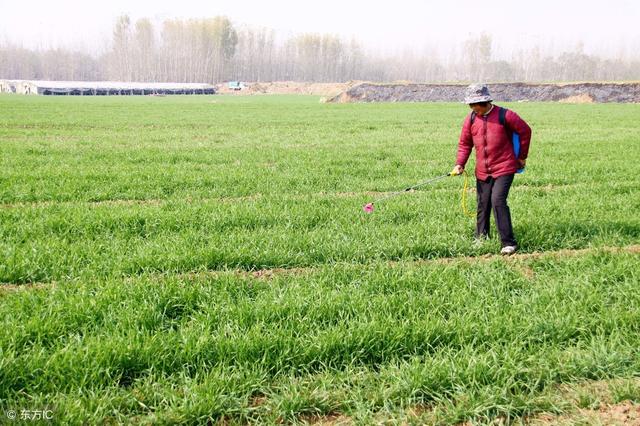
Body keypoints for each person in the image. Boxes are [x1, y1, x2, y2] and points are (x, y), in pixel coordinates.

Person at [451, 84, 532, 255]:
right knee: (483, 203)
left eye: (476, 105)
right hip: (482, 170)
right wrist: (460, 163)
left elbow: (525, 130)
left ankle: (508, 243)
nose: (473, 108)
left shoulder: (505, 115)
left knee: (498, 201)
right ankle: (481, 237)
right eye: (471, 105)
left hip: (504, 167)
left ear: (485, 101)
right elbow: (465, 143)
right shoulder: (471, 119)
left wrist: (522, 156)